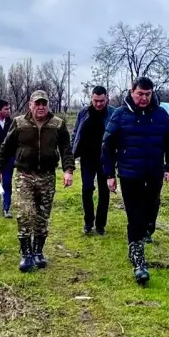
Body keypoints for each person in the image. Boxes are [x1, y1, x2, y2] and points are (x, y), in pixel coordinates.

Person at [102, 76, 169, 285]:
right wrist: (109, 174)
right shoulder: (120, 115)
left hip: (154, 173)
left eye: (148, 94)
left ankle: (146, 230)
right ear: (132, 91)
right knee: (135, 217)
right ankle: (139, 262)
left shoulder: (161, 115)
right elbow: (107, 146)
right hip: (130, 174)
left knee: (150, 211)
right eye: (140, 94)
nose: (144, 98)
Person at [0, 90, 74, 272]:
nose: (41, 107)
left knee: (42, 216)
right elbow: (6, 147)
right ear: (30, 105)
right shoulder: (19, 123)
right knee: (25, 213)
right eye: (37, 103)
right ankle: (26, 253)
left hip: (47, 176)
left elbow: (66, 148)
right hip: (24, 175)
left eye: (44, 103)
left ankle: (38, 251)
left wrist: (68, 170)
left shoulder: (57, 124)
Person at [72, 85, 114, 236]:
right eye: (95, 100)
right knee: (87, 189)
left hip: (105, 158)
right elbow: (75, 133)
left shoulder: (113, 113)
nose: (98, 104)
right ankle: (88, 222)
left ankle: (101, 225)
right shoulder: (84, 113)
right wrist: (72, 153)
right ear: (91, 98)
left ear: (106, 98)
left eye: (101, 101)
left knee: (104, 192)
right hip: (87, 158)